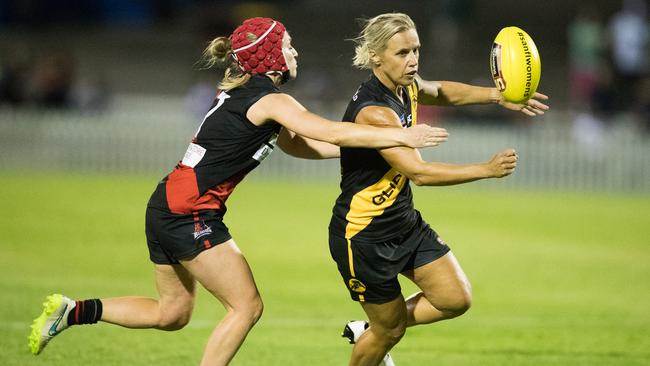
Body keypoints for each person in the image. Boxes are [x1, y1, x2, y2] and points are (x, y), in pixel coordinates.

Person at [28, 17, 449, 366]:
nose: (295, 52)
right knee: (246, 307)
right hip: (189, 214)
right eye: (288, 46)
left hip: (166, 207)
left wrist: (370, 151)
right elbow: (330, 130)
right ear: (270, 57)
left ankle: (73, 310)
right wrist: (402, 138)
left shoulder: (247, 95)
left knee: (172, 314)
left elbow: (304, 145)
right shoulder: (271, 99)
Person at [327, 13, 549, 366]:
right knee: (390, 332)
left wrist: (498, 95)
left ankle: (374, 329)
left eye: (416, 50)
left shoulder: (405, 86)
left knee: (455, 298)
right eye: (402, 52)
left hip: (403, 222)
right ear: (375, 56)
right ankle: (379, 332)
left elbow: (440, 90)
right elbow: (420, 172)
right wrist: (486, 170)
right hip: (364, 236)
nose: (413, 59)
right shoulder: (374, 112)